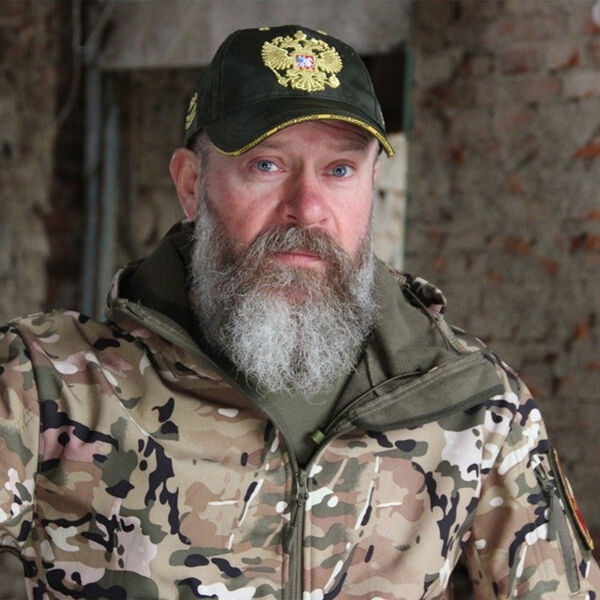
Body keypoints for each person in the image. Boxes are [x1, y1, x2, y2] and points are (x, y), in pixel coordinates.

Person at [0, 24, 598, 600]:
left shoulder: (472, 402)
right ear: (190, 184)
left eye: (340, 170)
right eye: (267, 165)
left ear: (371, 185)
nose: (307, 208)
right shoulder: (48, 385)